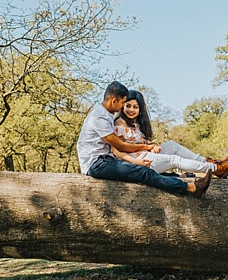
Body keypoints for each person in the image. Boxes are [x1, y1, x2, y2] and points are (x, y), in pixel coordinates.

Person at [76, 81, 209, 198]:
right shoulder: (99, 117)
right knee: (142, 172)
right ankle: (191, 188)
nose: (123, 106)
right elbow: (120, 146)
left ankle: (192, 177)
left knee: (153, 172)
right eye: (123, 102)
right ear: (114, 101)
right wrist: (146, 148)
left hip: (106, 160)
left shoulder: (106, 114)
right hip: (96, 164)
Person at [112, 90, 228, 179]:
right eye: (128, 106)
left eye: (135, 107)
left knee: (172, 146)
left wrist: (152, 146)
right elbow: (118, 151)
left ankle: (212, 163)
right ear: (122, 106)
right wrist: (136, 162)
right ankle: (216, 169)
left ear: (140, 110)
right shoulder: (120, 123)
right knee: (174, 160)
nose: (131, 110)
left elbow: (137, 143)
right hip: (135, 163)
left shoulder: (136, 124)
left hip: (146, 156)